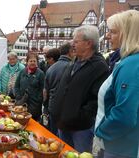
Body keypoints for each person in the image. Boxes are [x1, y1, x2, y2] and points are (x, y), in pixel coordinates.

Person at [50, 25, 109, 152]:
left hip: (80, 128)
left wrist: (80, 116)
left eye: (76, 41)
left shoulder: (99, 66)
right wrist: (55, 107)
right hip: (63, 123)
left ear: (88, 43)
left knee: (80, 154)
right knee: (64, 154)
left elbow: (96, 99)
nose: (72, 44)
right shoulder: (74, 62)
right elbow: (61, 87)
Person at [94, 10, 139, 158]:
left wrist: (100, 133)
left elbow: (124, 115)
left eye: (112, 32)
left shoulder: (131, 65)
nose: (107, 36)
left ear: (127, 34)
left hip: (119, 148)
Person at [45, 42, 75, 136]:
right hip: (65, 109)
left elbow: (45, 92)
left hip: (52, 106)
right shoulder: (72, 66)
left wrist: (45, 108)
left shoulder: (50, 68)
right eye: (73, 51)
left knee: (53, 136)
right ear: (70, 52)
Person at [15, 52, 45, 121]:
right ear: (27, 61)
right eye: (30, 61)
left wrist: (38, 99)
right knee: (21, 121)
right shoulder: (22, 72)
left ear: (37, 62)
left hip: (35, 106)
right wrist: (18, 97)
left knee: (33, 124)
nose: (32, 63)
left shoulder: (40, 73)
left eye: (34, 61)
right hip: (21, 103)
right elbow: (16, 86)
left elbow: (43, 89)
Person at [42, 48, 61, 129]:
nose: (46, 61)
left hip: (51, 103)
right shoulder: (69, 66)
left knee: (48, 127)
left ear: (51, 59)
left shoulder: (51, 69)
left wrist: (44, 103)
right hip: (60, 104)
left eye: (47, 59)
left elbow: (45, 91)